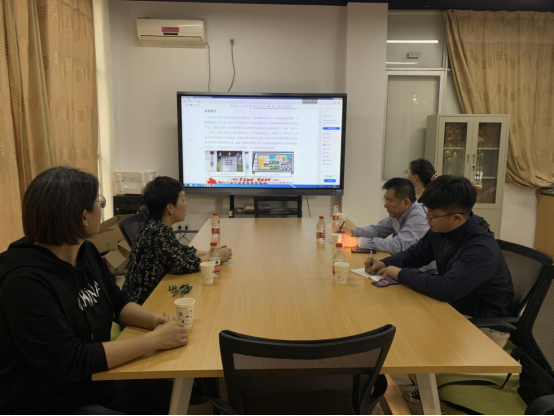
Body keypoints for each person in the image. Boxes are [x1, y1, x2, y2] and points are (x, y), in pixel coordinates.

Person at [0, 167, 187, 414]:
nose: (101, 207)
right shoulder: (23, 281)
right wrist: (153, 340)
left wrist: (156, 322)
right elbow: (72, 360)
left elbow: (117, 301)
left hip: (92, 381)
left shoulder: (85, 252)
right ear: (83, 217)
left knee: (162, 388)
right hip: (49, 400)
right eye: (98, 202)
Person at [366, 175, 514, 331]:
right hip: (453, 307)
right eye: (427, 212)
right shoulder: (442, 230)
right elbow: (416, 255)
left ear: (456, 218)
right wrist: (385, 263)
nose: (426, 218)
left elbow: (446, 288)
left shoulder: (481, 249)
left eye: (432, 215)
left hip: (483, 325)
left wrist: (400, 273)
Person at [123, 176, 233, 306]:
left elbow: (181, 250)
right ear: (169, 207)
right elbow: (182, 265)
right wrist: (214, 258)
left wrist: (213, 252)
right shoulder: (158, 231)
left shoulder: (152, 224)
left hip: (144, 296)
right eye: (183, 199)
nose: (186, 205)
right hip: (145, 301)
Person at [340, 178, 430, 255]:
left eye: (389, 200)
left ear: (406, 203)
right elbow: (378, 230)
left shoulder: (419, 217)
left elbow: (398, 246)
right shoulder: (397, 214)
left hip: (422, 269)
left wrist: (359, 241)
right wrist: (352, 232)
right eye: (385, 199)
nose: (385, 205)